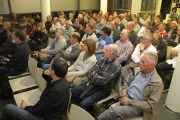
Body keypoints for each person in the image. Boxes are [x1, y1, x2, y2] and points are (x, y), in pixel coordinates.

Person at [98, 51, 164, 120]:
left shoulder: (157, 83)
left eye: (143, 62)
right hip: (125, 98)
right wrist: (124, 96)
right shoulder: (137, 71)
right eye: (141, 60)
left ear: (151, 65)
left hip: (137, 107)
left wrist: (129, 101)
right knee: (112, 111)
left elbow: (150, 105)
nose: (140, 63)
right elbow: (126, 83)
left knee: (113, 111)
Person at [2, 58, 70, 120]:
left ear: (53, 72)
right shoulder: (62, 81)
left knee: (8, 108)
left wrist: (26, 107)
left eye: (50, 67)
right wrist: (45, 74)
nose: (48, 68)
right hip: (49, 112)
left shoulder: (56, 91)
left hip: (44, 117)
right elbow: (51, 81)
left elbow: (38, 110)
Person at [71, 44, 121, 111]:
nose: (104, 51)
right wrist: (99, 76)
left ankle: (88, 108)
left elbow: (104, 82)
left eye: (106, 50)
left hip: (103, 90)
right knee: (73, 92)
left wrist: (94, 74)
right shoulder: (102, 59)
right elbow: (90, 73)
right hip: (92, 84)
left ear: (112, 54)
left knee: (83, 104)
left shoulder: (116, 66)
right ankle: (87, 106)